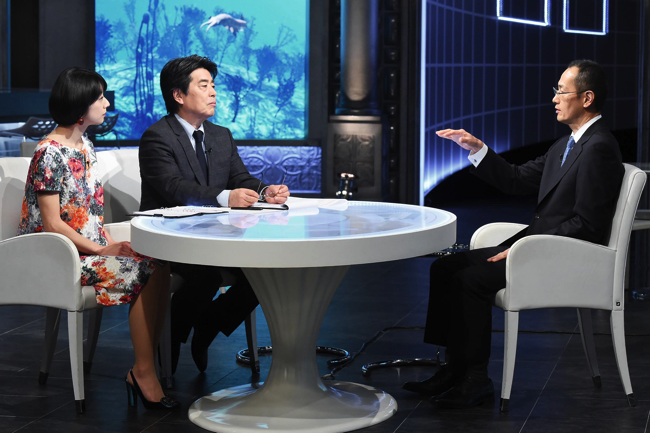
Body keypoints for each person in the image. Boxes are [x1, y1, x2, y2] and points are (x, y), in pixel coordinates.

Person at [403, 59, 624, 408]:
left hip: (558, 255)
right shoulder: (566, 144)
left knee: (470, 279)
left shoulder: (599, 148)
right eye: (556, 91)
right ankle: (454, 369)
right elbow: (516, 179)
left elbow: (587, 223)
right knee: (445, 267)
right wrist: (477, 149)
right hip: (537, 247)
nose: (554, 98)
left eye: (562, 91)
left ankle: (476, 380)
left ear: (587, 98)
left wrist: (528, 247)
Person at [17, 67, 179, 411]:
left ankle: (145, 367)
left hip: (86, 249)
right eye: (100, 98)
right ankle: (144, 373)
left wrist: (111, 244)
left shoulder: (85, 146)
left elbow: (89, 213)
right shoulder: (49, 153)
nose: (106, 104)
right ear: (80, 104)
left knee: (159, 263)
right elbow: (52, 223)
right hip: (56, 255)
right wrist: (104, 249)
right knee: (143, 271)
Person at [138, 54, 289, 373]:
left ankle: (208, 326)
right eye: (204, 85)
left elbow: (239, 178)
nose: (213, 92)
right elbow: (174, 188)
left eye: (213, 85)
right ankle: (169, 344)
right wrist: (225, 198)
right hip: (171, 239)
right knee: (204, 277)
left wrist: (265, 191)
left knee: (266, 270)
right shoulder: (157, 137)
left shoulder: (220, 135)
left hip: (216, 235)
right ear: (178, 95)